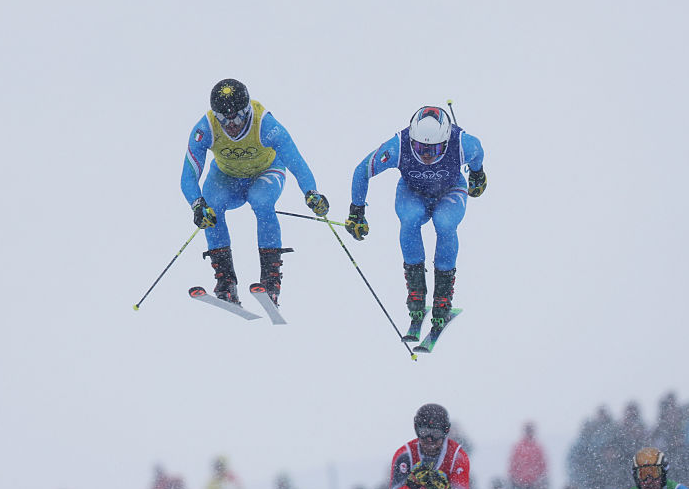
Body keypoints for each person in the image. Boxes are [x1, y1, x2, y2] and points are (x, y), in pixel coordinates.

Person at [180, 78, 329, 306]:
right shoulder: (205, 128)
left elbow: (296, 162)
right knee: (211, 205)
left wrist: (311, 192)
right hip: (226, 177)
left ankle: (271, 279)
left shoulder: (266, 125)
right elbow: (188, 176)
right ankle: (225, 280)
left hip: (266, 172)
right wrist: (197, 204)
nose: (230, 124)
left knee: (261, 201)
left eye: (238, 117)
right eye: (222, 118)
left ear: (247, 110)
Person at [347, 105, 485, 330]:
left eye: (435, 148)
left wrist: (478, 173)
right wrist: (357, 210)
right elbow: (362, 171)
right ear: (412, 141)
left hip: (450, 190)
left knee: (445, 222)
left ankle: (442, 297)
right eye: (420, 148)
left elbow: (478, 151)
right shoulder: (397, 147)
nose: (427, 155)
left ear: (447, 141)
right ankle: (416, 293)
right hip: (413, 192)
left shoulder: (463, 144)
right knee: (410, 219)